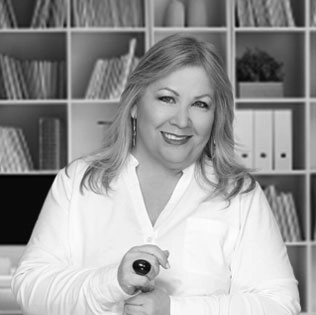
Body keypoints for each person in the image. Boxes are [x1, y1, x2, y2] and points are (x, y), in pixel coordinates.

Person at [11, 33, 301, 315]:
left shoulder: (239, 194)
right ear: (135, 104)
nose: (182, 120)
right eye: (166, 98)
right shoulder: (78, 182)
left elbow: (279, 305)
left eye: (200, 104)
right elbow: (30, 287)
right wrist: (113, 283)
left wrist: (175, 309)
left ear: (216, 117)